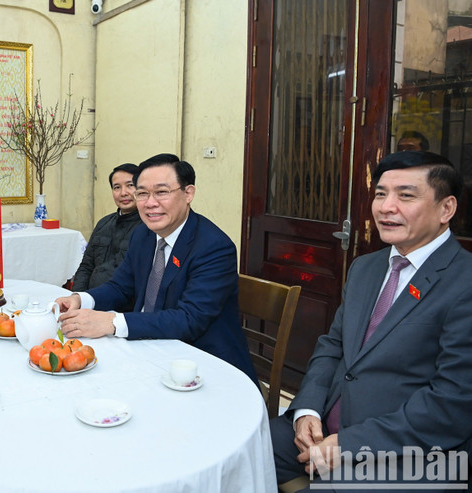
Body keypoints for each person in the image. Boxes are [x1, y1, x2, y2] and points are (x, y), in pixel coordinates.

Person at [270, 151, 472, 490]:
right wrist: (307, 410)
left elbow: (452, 403)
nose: (386, 207)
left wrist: (349, 445)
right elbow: (333, 346)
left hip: (408, 451)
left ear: (446, 208)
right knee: (242, 450)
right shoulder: (365, 267)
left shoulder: (463, 282)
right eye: (380, 194)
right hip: (328, 426)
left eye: (405, 195)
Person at [55, 154, 257, 383]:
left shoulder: (214, 247)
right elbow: (121, 286)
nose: (150, 203)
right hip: (147, 349)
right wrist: (82, 299)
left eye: (161, 192)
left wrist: (111, 322)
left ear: (188, 193)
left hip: (203, 364)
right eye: (142, 193)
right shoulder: (143, 234)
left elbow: (189, 319)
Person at [71, 162, 142, 294]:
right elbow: (86, 266)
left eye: (130, 185)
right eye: (117, 187)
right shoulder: (104, 223)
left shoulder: (147, 227)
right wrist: (78, 296)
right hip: (89, 299)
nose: (123, 193)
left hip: (122, 301)